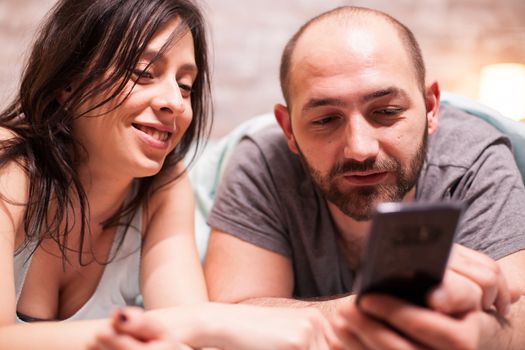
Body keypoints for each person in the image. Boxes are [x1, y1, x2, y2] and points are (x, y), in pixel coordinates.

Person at [0, 0, 337, 349]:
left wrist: (188, 326)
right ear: (68, 82)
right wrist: (203, 320)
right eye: (145, 73)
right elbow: (189, 321)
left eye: (186, 85)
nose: (175, 103)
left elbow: (185, 336)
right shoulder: (9, 163)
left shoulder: (164, 185)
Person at [204, 6, 525, 349]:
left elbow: (518, 309)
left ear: (431, 107)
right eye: (326, 120)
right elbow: (233, 314)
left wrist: (485, 335)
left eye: (386, 112)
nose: (359, 149)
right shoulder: (262, 162)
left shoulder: (472, 157)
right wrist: (376, 310)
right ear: (288, 129)